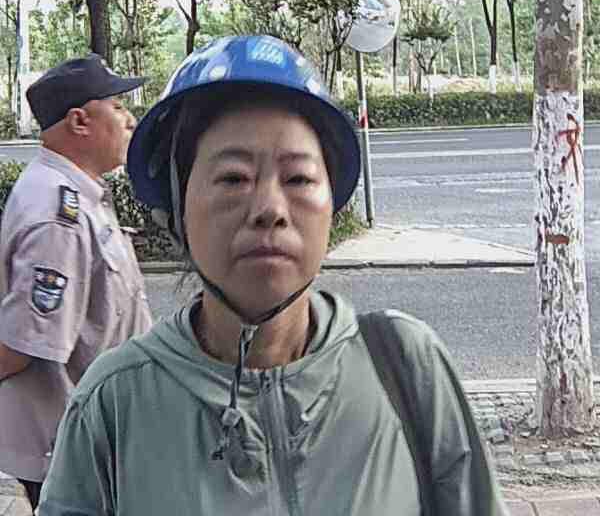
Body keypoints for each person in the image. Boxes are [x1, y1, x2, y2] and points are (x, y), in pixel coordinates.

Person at [39, 36, 507, 515]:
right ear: (178, 208)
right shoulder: (114, 402)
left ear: (330, 201)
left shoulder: (406, 367)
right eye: (233, 179)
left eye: (299, 178)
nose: (270, 209)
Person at [0, 54, 153, 512]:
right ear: (79, 121)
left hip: (100, 435)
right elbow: (22, 344)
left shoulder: (76, 193)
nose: (129, 119)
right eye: (118, 107)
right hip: (76, 452)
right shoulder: (57, 212)